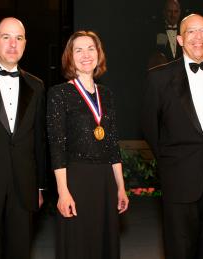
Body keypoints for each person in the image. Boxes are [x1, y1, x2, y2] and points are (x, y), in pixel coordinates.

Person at [47, 30, 129, 259]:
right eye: (78, 49)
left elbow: (112, 144)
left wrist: (120, 186)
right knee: (78, 246)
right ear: (69, 57)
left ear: (99, 54)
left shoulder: (107, 94)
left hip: (105, 181)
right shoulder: (58, 94)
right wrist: (63, 192)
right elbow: (57, 145)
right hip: (75, 180)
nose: (86, 54)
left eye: (91, 48)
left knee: (104, 245)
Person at [141, 14, 203, 258]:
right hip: (180, 181)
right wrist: (171, 163)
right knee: (180, 250)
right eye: (191, 32)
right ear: (180, 39)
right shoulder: (159, 78)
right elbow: (149, 127)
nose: (198, 37)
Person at [0, 17, 45, 259]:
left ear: (25, 43)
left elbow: (39, 140)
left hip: (23, 184)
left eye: (18, 38)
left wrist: (39, 185)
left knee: (19, 250)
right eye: (6, 37)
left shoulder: (36, 86)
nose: (12, 44)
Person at [148, 0, 182, 68]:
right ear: (164, 12)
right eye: (170, 11)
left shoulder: (184, 31)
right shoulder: (156, 30)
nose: (173, 15)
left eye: (176, 11)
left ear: (180, 12)